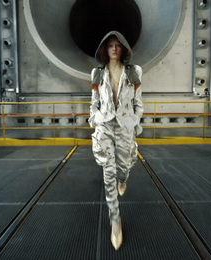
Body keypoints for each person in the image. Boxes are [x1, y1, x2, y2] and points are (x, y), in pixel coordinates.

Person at [89, 31, 143, 250]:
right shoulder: (96, 72)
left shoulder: (134, 71)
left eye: (117, 45)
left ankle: (123, 179)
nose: (113, 48)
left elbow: (138, 100)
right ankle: (115, 221)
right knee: (108, 171)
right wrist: (94, 118)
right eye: (110, 45)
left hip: (125, 125)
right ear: (105, 49)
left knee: (124, 168)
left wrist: (136, 119)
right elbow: (94, 101)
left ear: (123, 49)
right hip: (104, 125)